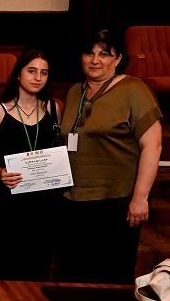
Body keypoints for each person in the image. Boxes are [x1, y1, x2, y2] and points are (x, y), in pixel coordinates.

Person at [58, 29, 162, 284]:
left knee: (109, 280)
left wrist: (140, 197)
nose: (95, 60)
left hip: (116, 201)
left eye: (104, 54)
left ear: (118, 59)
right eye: (89, 53)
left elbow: (153, 146)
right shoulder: (75, 91)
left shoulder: (134, 90)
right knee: (73, 278)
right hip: (73, 200)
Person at [0, 49, 64, 281]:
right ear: (18, 74)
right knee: (0, 267)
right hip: (7, 202)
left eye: (44, 73)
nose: (38, 77)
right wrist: (0, 172)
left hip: (42, 203)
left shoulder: (53, 108)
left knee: (36, 270)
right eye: (31, 71)